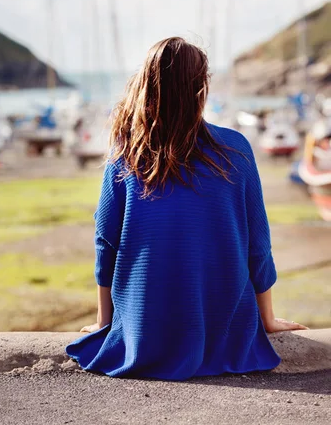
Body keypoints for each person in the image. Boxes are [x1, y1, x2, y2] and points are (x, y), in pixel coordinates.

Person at [66, 37, 307, 380]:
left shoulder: (127, 152)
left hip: (143, 332)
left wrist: (106, 323)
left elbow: (106, 243)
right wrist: (267, 319)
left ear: (148, 84)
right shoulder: (235, 148)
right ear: (201, 88)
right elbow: (258, 243)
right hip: (223, 330)